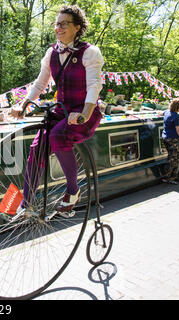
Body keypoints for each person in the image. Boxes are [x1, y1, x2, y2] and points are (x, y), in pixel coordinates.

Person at [11, 5, 104, 215]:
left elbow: (94, 86)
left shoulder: (90, 52)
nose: (58, 28)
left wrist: (85, 112)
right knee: (37, 148)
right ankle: (26, 203)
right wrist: (23, 105)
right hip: (62, 111)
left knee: (59, 135)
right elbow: (40, 84)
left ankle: (73, 192)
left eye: (64, 24)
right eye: (56, 23)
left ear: (77, 27)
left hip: (83, 112)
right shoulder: (51, 53)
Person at [161, 98, 179, 185]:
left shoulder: (167, 112)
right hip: (174, 139)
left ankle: (174, 176)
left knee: (171, 157)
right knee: (174, 159)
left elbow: (160, 113)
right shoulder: (177, 116)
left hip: (166, 137)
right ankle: (169, 177)